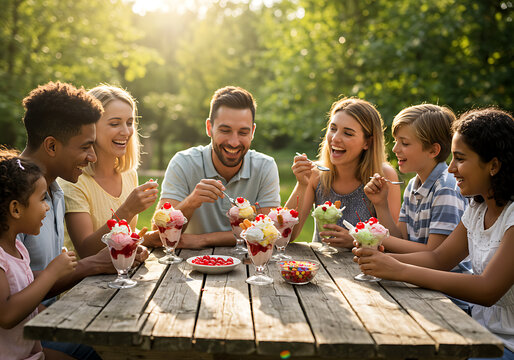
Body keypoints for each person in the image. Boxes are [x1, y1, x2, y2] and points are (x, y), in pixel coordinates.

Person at [353, 108, 514, 360]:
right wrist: (379, 262)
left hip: (504, 346)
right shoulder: (477, 207)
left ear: (493, 165)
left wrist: (398, 269)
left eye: (460, 159)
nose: (450, 169)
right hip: (480, 333)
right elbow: (439, 258)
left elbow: (487, 290)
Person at [18, 81, 148, 359]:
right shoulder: (13, 199)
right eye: (86, 147)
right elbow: (13, 291)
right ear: (51, 146)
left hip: (46, 314)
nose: (92, 156)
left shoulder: (53, 190)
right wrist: (90, 264)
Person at [153, 86, 281, 248]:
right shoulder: (183, 163)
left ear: (253, 132)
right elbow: (158, 234)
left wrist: (203, 240)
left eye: (243, 132)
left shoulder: (265, 166)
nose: (234, 142)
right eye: (225, 130)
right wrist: (191, 202)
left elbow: (270, 231)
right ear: (209, 128)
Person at [285, 97, 401, 248]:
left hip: (366, 268)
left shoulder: (383, 175)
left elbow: (394, 244)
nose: (335, 138)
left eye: (348, 133)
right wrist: (302, 184)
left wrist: (356, 240)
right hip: (322, 266)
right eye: (333, 129)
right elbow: (285, 235)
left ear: (368, 142)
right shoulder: (316, 173)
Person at [58, 85, 159, 258]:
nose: (126, 132)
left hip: (120, 278)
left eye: (129, 123)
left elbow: (123, 238)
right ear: (90, 128)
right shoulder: (73, 181)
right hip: (83, 284)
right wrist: (127, 210)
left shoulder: (129, 175)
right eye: (115, 123)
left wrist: (138, 245)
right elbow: (86, 251)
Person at [0, 150, 77, 360]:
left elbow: (23, 283)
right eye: (43, 199)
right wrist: (51, 273)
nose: (46, 207)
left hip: (31, 352)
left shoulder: (18, 247)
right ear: (16, 209)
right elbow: (6, 315)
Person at [364, 104, 468, 253]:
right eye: (395, 141)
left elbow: (434, 254)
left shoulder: (446, 188)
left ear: (433, 150)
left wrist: (371, 237)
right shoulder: (414, 185)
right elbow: (400, 240)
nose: (395, 149)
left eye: (405, 143)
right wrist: (380, 204)